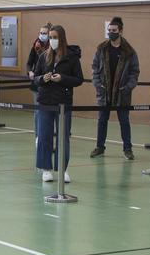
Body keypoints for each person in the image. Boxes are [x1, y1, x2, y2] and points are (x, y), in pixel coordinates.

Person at [30, 25, 83, 183]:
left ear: (62, 38)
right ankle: (45, 169)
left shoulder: (72, 57)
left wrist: (63, 79)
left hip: (63, 103)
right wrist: (42, 79)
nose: (52, 40)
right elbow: (36, 78)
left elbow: (79, 79)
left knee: (63, 137)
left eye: (55, 37)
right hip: (45, 102)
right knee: (44, 135)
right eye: (51, 37)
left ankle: (62, 169)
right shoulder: (43, 56)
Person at [90, 17, 139, 160]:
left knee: (124, 121)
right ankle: (100, 147)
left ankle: (128, 149)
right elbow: (94, 68)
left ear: (121, 31)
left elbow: (134, 72)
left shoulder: (129, 51)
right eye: (109, 30)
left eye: (114, 30)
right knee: (102, 120)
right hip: (104, 92)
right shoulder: (102, 48)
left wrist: (128, 87)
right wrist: (98, 84)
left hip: (122, 93)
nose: (111, 33)